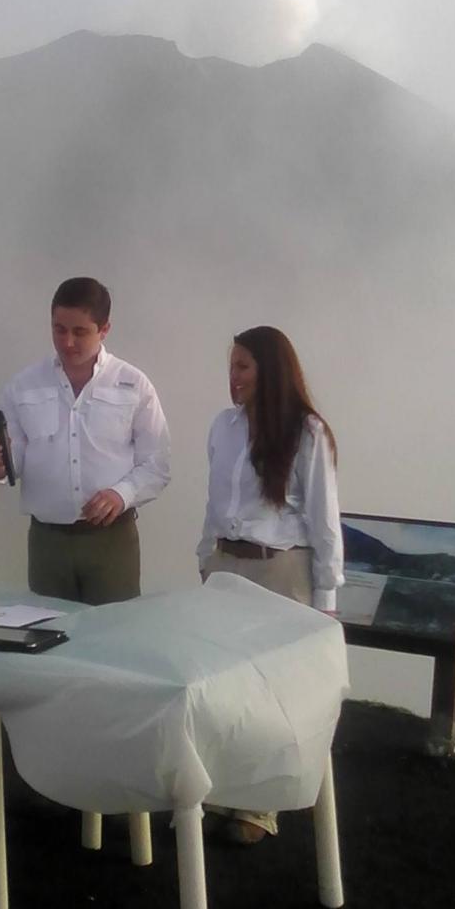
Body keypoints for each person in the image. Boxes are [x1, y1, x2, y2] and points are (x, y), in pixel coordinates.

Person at [197, 325, 343, 845]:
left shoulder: (307, 433)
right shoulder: (224, 426)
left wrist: (326, 598)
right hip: (227, 565)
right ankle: (220, 790)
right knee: (223, 684)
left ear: (270, 371)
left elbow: (324, 521)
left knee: (271, 687)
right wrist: (206, 559)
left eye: (243, 367)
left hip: (279, 569)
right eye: (231, 366)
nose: (232, 377)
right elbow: (216, 501)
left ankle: (259, 807)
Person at [0, 277, 170, 605]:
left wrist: (121, 494)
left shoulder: (133, 384)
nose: (67, 342)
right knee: (50, 629)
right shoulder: (23, 386)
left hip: (111, 539)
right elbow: (13, 464)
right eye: (59, 330)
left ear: (104, 329)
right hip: (48, 541)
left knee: (114, 631)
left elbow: (157, 464)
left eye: (80, 332)